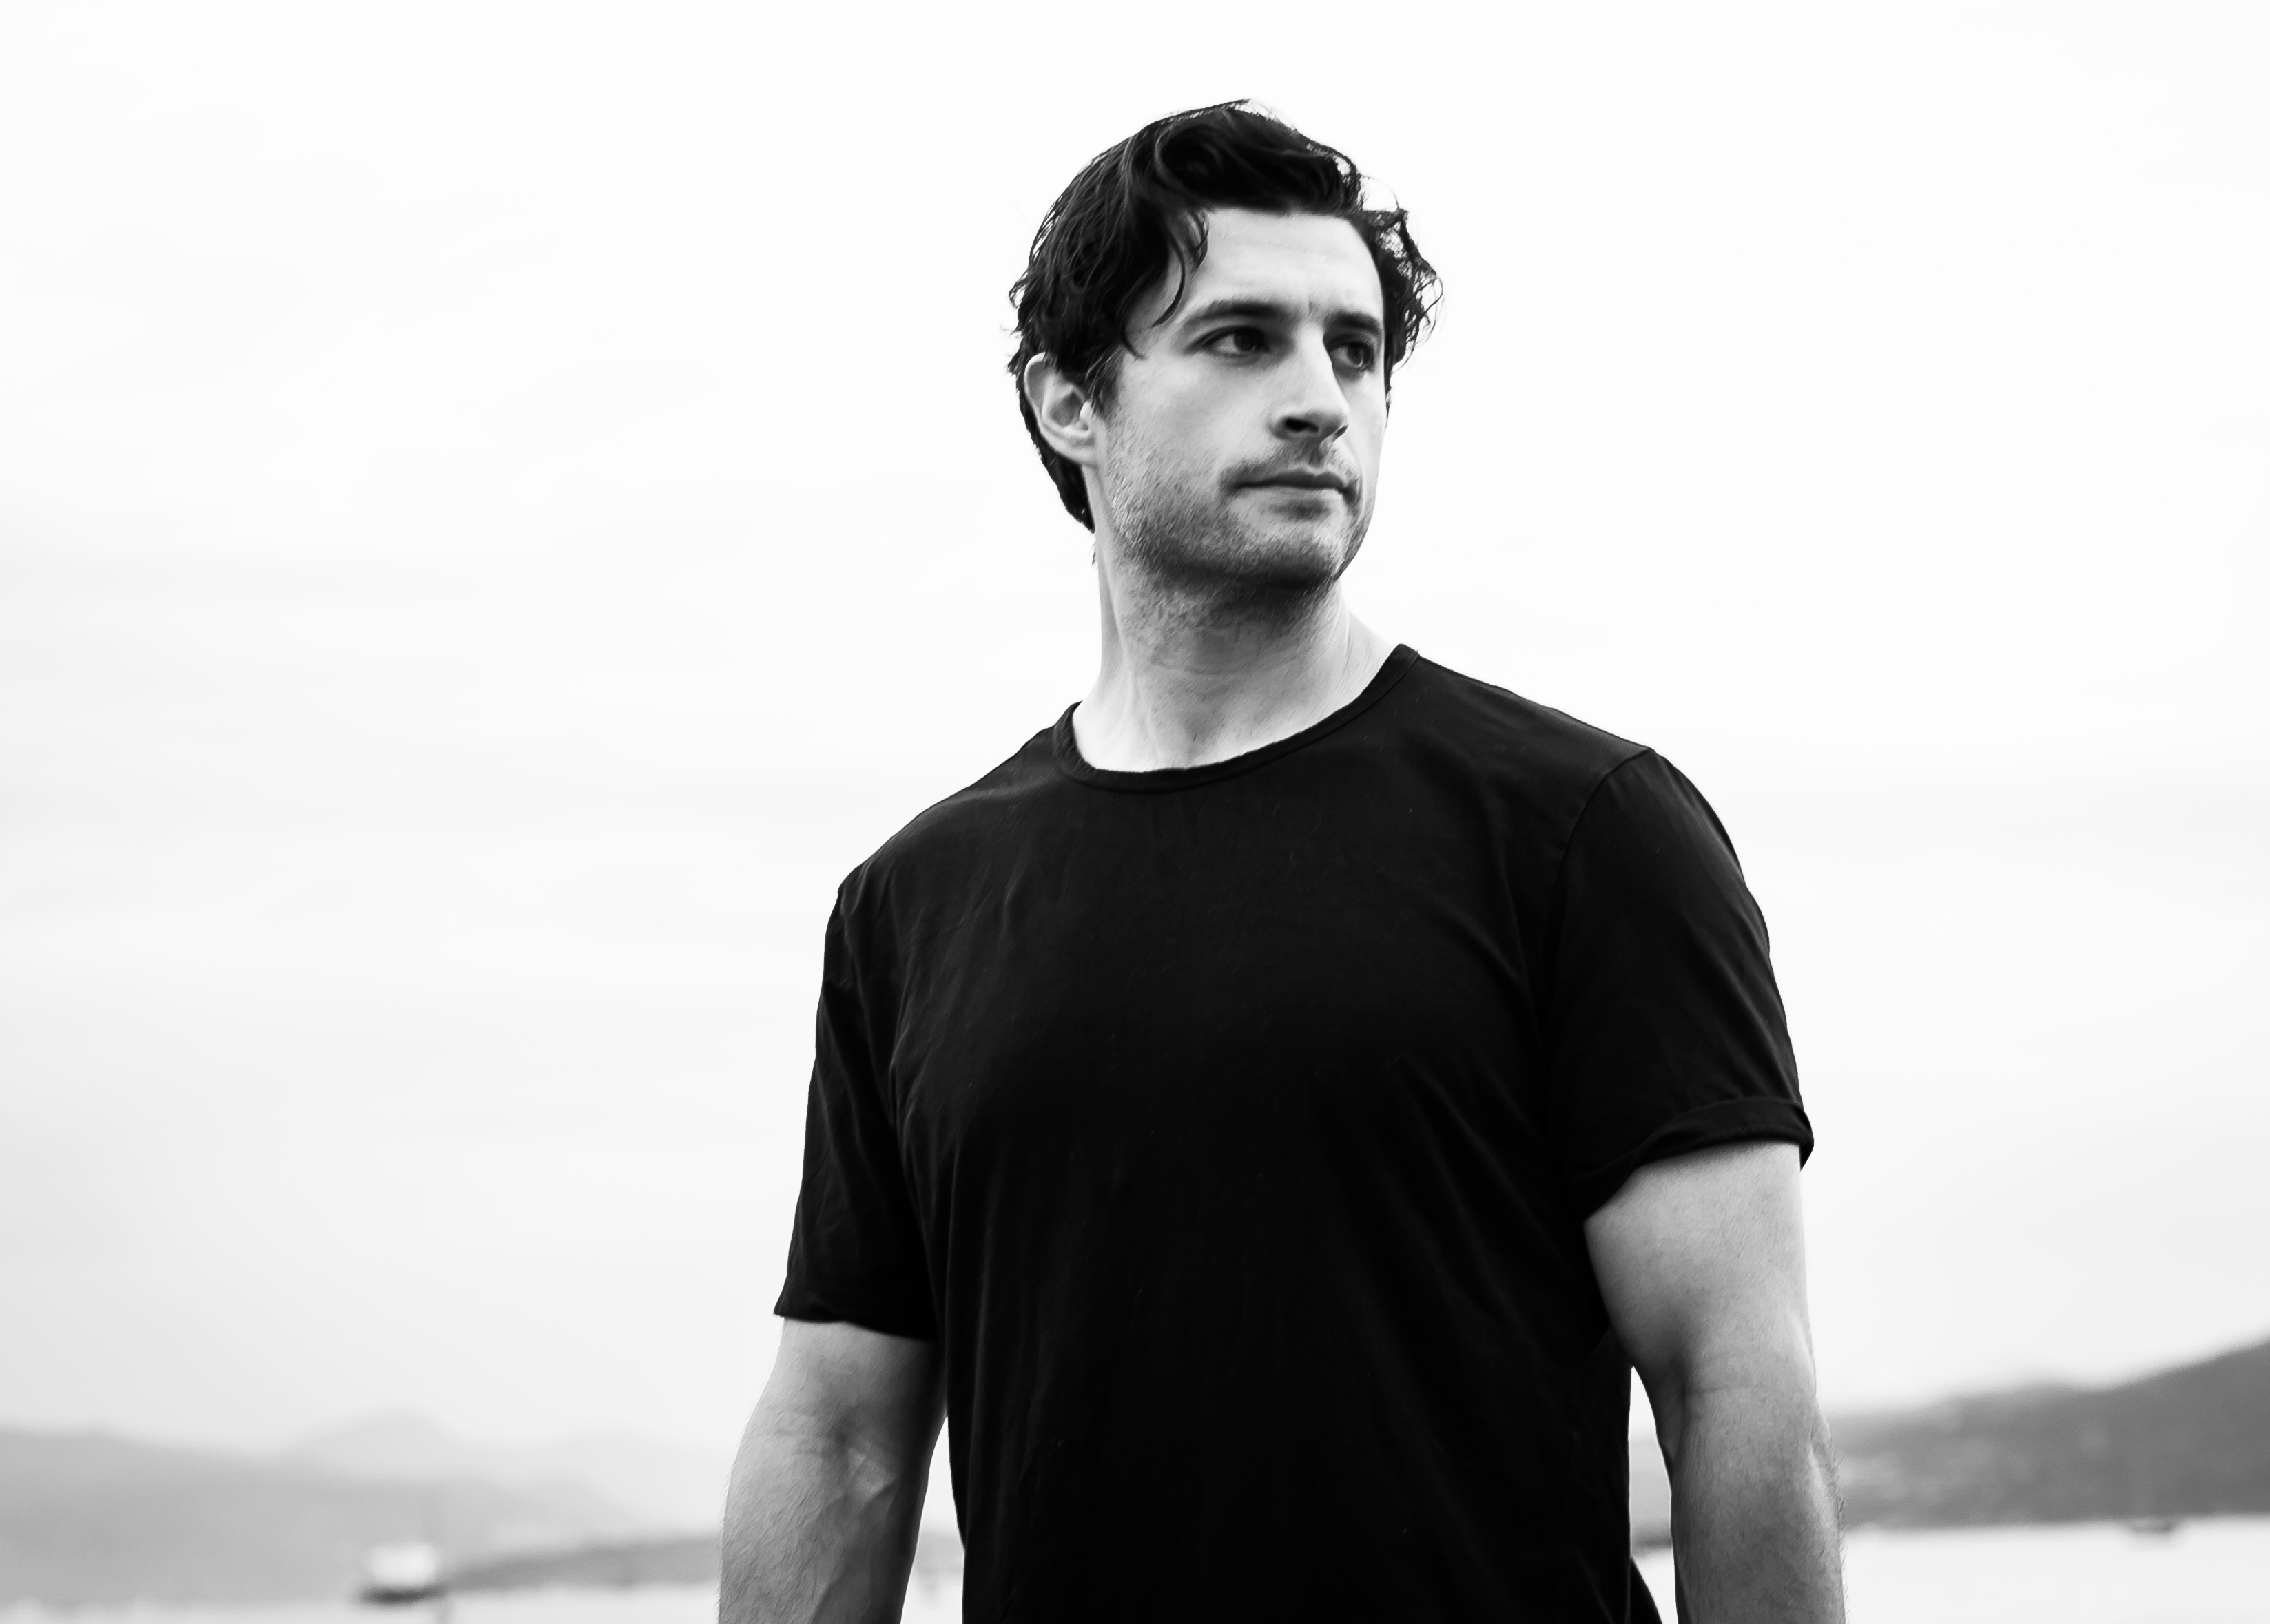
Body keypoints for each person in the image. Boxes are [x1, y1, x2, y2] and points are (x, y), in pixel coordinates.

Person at [721, 103, 1844, 1623]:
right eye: (1243, 340)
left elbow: (1737, 1390)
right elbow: (841, 1438)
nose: (1321, 400)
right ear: (1070, 403)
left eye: (1355, 351)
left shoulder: (1586, 830)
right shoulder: (912, 907)